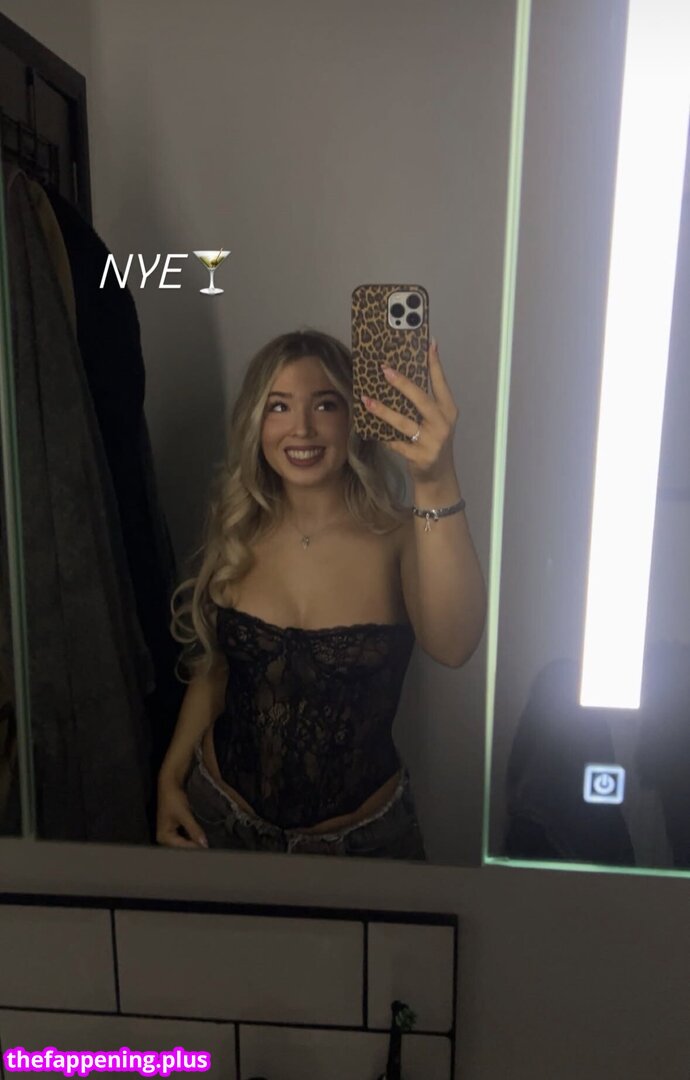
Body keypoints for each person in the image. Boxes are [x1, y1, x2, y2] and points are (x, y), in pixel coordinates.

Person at [156, 329, 486, 857]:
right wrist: (170, 778)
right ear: (256, 421)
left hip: (363, 847)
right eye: (279, 406)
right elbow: (216, 668)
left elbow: (455, 645)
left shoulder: (403, 536)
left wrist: (437, 477)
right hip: (216, 819)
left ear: (357, 417)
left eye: (326, 404)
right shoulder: (240, 526)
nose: (302, 428)